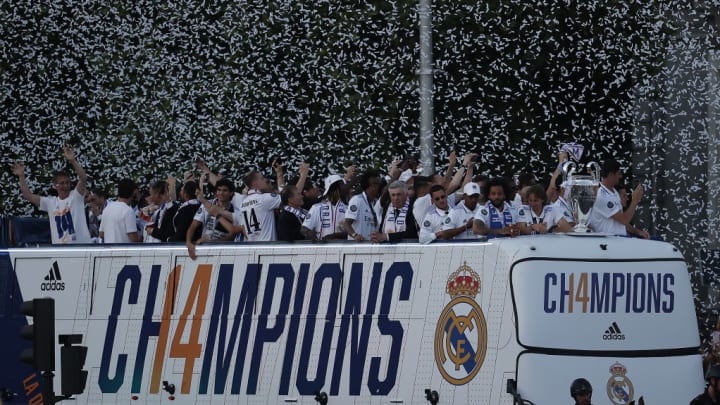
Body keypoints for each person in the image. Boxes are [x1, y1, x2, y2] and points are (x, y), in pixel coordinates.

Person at [11, 145, 92, 244]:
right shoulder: (50, 202)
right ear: (55, 186)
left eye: (67, 182)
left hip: (81, 247)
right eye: (62, 183)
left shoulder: (76, 196)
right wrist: (21, 176)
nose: (65, 185)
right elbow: (28, 196)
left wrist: (73, 161)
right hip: (60, 250)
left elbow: (83, 178)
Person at [588, 158, 644, 236]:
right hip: (607, 242)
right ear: (611, 175)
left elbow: (619, 222)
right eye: (618, 173)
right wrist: (635, 200)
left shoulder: (614, 192)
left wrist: (637, 232)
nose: (620, 176)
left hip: (618, 239)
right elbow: (624, 220)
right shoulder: (601, 196)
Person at [301, 174, 347, 242]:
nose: (344, 188)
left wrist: (337, 235)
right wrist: (310, 234)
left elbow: (352, 232)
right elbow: (304, 229)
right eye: (341, 185)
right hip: (321, 250)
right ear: (335, 188)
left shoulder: (347, 208)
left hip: (342, 249)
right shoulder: (316, 207)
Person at [240, 170, 282, 241]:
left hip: (252, 247)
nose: (265, 180)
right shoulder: (264, 198)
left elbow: (243, 228)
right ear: (255, 183)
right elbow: (289, 197)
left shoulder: (243, 203)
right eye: (262, 178)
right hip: (268, 247)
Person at [344, 169, 383, 241]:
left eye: (379, 184)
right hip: (358, 246)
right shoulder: (357, 200)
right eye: (376, 184)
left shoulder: (376, 202)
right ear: (368, 186)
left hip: (372, 246)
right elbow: (346, 224)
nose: (379, 186)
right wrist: (355, 235)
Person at [99, 178, 141, 243]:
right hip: (124, 251)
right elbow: (133, 238)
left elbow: (101, 234)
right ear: (133, 193)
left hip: (109, 250)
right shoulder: (128, 211)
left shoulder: (107, 209)